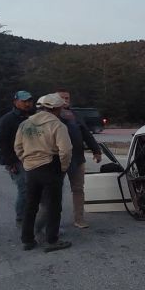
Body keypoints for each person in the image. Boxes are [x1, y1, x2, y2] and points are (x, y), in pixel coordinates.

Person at [15, 93, 73, 252]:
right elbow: (66, 150)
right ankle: (52, 240)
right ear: (55, 109)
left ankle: (27, 240)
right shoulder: (57, 125)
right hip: (50, 167)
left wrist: (26, 162)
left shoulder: (25, 124)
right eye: (60, 107)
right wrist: (63, 167)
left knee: (31, 205)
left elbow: (18, 147)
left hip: (31, 169)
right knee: (53, 206)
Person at [56, 89, 102, 228]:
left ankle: (79, 219)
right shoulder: (50, 116)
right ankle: (53, 221)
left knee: (78, 189)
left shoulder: (76, 114)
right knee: (55, 191)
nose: (65, 100)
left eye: (67, 97)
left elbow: (86, 134)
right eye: (62, 97)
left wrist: (96, 150)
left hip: (77, 159)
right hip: (58, 160)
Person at [0, 90, 35, 227]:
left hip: (33, 158)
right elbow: (2, 141)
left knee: (34, 188)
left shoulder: (33, 117)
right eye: (24, 101)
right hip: (16, 160)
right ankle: (21, 218)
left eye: (29, 101)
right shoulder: (8, 119)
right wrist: (10, 162)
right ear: (15, 102)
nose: (27, 103)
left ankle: (33, 216)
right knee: (24, 188)